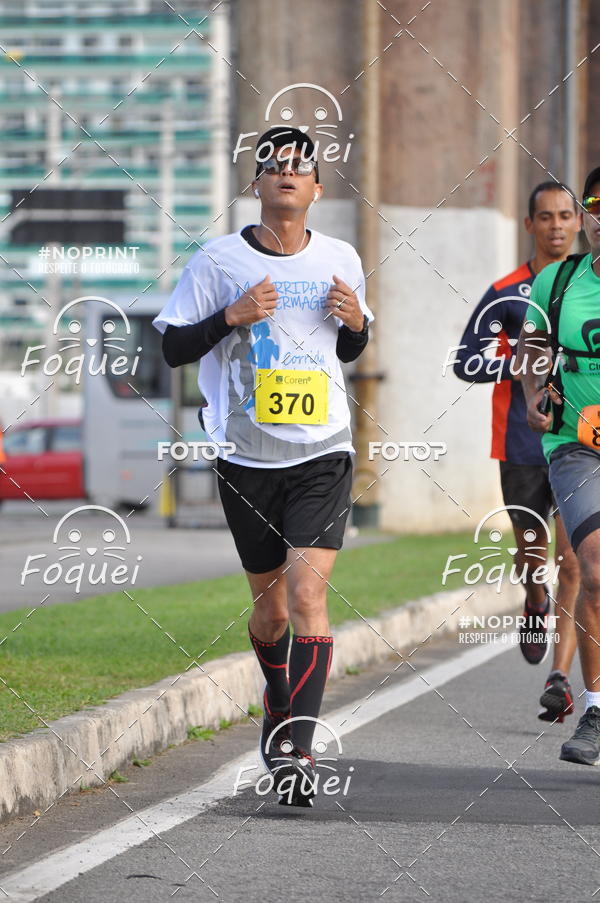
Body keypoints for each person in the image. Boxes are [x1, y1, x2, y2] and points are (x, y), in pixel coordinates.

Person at [153, 126, 372, 803]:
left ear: (315, 188)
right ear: (256, 186)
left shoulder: (341, 255)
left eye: (299, 166)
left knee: (309, 597)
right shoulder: (219, 261)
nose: (286, 173)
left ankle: (298, 748)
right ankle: (278, 696)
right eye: (273, 165)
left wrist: (357, 320)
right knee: (270, 611)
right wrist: (232, 314)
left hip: (323, 451)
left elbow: (353, 347)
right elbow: (173, 350)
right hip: (247, 458)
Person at [454, 182, 581, 722]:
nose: (556, 226)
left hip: (580, 444)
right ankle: (534, 599)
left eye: (565, 216)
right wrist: (521, 364)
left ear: (578, 223)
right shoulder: (507, 292)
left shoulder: (590, 285)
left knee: (574, 560)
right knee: (535, 556)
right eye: (545, 217)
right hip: (521, 444)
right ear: (529, 226)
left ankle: (560, 675)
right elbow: (466, 361)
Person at [520, 167, 600, 764]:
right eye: (595, 207)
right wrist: (532, 396)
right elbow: (534, 349)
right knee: (593, 568)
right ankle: (596, 711)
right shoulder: (557, 281)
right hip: (576, 444)